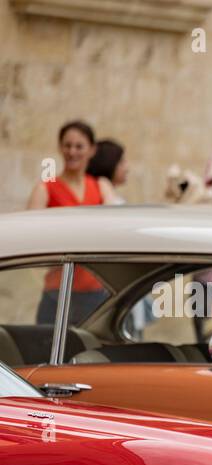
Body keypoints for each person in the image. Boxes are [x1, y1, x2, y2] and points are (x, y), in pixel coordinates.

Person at [25, 120, 115, 324]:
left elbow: (114, 232)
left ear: (92, 150)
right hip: (57, 291)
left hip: (96, 291)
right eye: (67, 145)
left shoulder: (101, 187)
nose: (72, 152)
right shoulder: (45, 188)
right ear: (60, 148)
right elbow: (28, 238)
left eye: (79, 146)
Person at [86, 138, 128, 202]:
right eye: (121, 162)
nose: (127, 168)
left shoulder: (106, 188)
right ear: (109, 162)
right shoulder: (102, 184)